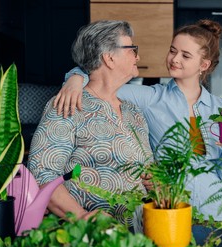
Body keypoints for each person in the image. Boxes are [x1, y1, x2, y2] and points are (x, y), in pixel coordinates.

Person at [54, 19, 222, 223]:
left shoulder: (221, 109)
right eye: (173, 51)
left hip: (216, 214)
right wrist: (74, 79)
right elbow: (100, 80)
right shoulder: (149, 98)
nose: (175, 59)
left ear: (204, 65)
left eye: (185, 55)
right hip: (169, 212)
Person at [27, 20, 153, 226]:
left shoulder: (133, 112)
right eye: (132, 50)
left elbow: (148, 171)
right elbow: (42, 173)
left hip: (138, 235)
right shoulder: (68, 104)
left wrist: (155, 184)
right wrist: (81, 216)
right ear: (109, 58)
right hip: (89, 240)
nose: (138, 56)